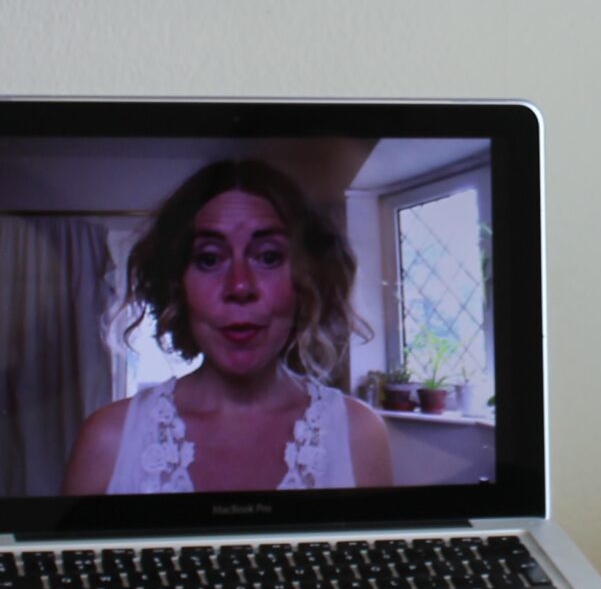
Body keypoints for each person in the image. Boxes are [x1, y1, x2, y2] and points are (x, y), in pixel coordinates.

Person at [62, 159, 392, 496]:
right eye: (208, 259)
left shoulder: (358, 434)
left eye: (268, 257)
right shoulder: (107, 440)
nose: (239, 286)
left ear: (306, 280)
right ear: (178, 284)